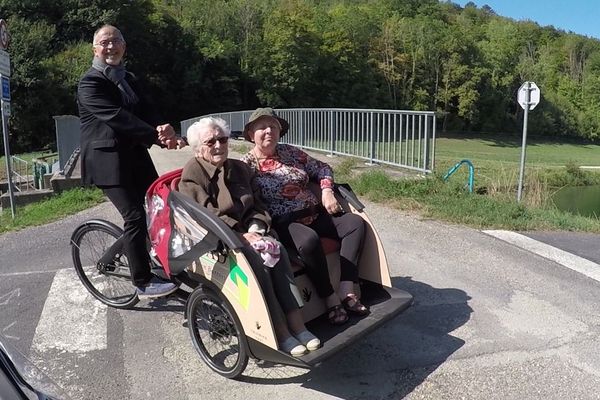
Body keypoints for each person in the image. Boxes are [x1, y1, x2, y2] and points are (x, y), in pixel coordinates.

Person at [178, 117, 320, 356]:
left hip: (251, 233)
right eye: (210, 141)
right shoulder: (192, 173)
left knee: (277, 250)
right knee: (257, 264)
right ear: (197, 148)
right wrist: (241, 236)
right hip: (222, 239)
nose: (218, 145)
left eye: (222, 139)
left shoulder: (238, 168)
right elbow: (205, 216)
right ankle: (281, 331)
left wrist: (256, 229)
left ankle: (299, 326)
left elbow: (258, 205)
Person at [77, 25, 185, 299]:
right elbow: (117, 117)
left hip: (134, 156)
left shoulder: (129, 78)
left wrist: (164, 129)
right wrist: (157, 138)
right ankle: (142, 280)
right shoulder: (90, 83)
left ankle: (121, 255)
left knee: (157, 207)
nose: (110, 47)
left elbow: (147, 108)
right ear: (95, 50)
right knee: (135, 216)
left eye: (116, 41)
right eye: (104, 42)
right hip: (106, 162)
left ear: (124, 46)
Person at [241, 108, 370, 325]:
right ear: (251, 133)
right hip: (285, 222)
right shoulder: (246, 165)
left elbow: (323, 168)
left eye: (273, 126)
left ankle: (347, 288)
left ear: (280, 131)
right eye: (262, 127)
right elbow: (244, 199)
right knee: (309, 241)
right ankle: (329, 298)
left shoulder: (291, 153)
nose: (268, 131)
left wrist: (327, 191)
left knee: (354, 223)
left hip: (315, 212)